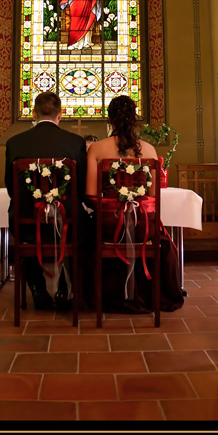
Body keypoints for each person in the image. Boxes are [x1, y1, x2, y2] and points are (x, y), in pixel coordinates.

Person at [84, 95, 184, 314]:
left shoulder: (97, 149)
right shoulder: (149, 151)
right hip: (142, 226)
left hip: (109, 226)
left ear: (109, 120)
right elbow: (152, 195)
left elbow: (91, 195)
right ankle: (148, 294)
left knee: (85, 231)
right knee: (162, 236)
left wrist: (113, 205)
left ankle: (101, 295)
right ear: (134, 119)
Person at [5, 92, 88, 311]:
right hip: (67, 221)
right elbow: (81, 188)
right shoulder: (76, 143)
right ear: (60, 115)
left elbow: (10, 188)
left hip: (27, 221)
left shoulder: (15, 143)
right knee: (81, 226)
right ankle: (64, 288)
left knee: (25, 222)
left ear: (34, 114)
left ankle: (37, 288)